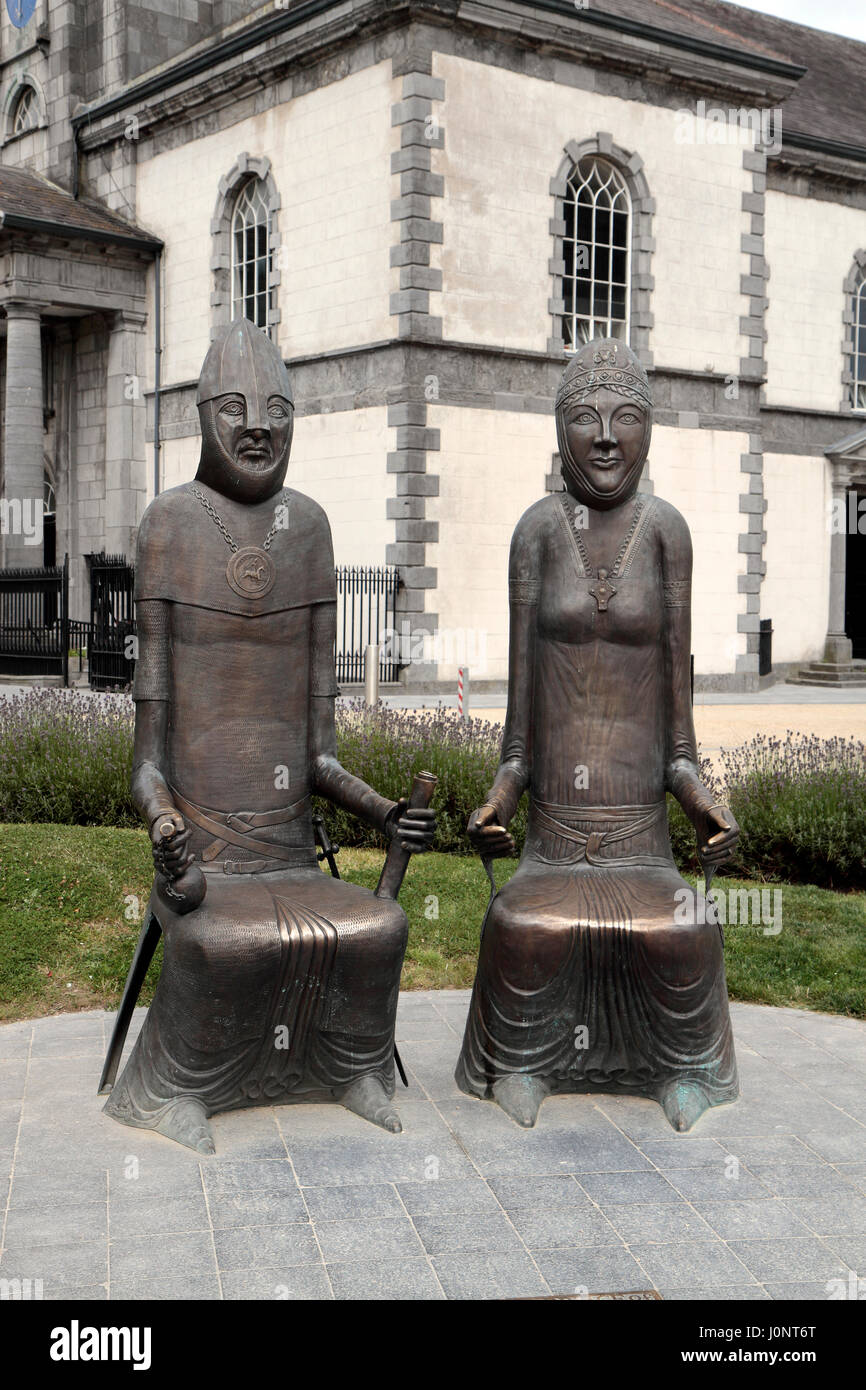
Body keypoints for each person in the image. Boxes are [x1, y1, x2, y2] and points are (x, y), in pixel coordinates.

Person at [104, 318, 435, 1153]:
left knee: (377, 925)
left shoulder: (311, 531)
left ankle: (350, 1068)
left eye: (279, 409)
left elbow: (319, 755)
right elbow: (146, 763)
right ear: (200, 417)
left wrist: (383, 811)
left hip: (289, 851)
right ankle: (176, 1089)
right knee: (222, 937)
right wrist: (166, 825)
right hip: (205, 861)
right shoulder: (168, 526)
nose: (258, 425)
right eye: (235, 407)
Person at [456, 338, 739, 1132]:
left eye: (626, 419)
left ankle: (679, 1066)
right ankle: (525, 1061)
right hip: (553, 837)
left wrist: (705, 807)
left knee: (680, 931)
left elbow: (679, 747)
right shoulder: (538, 533)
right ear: (559, 431)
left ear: (649, 431)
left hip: (641, 840)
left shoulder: (666, 534)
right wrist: (498, 802)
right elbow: (517, 741)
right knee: (525, 922)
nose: (607, 437)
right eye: (586, 418)